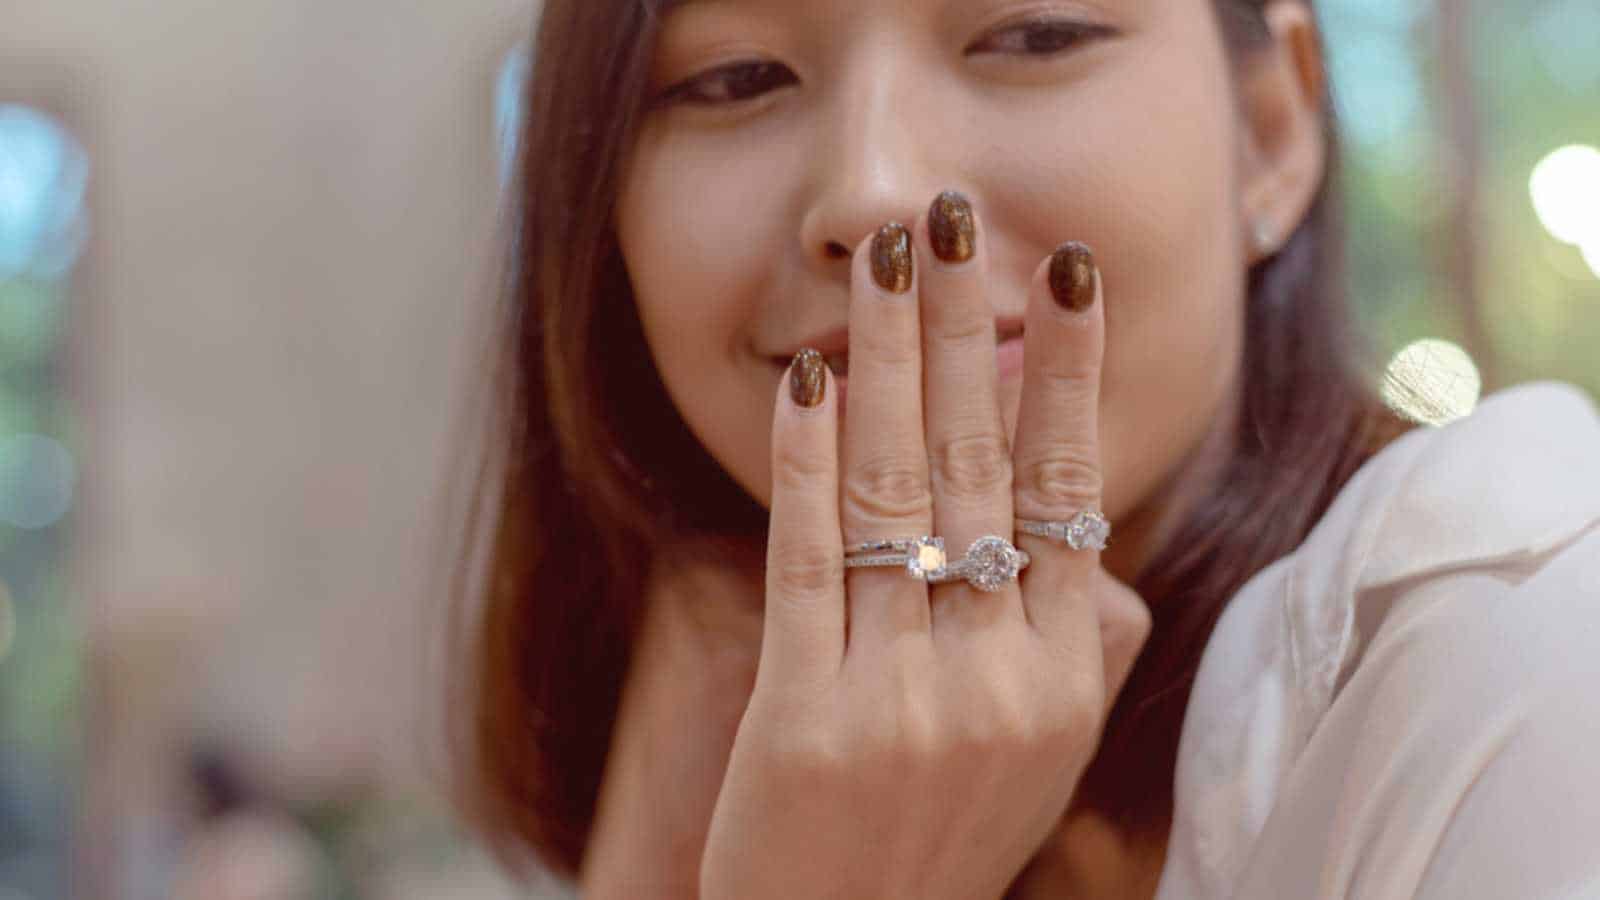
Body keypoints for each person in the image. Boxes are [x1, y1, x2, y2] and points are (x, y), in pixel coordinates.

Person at [442, 0, 1600, 896]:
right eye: (732, 78)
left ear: (1268, 131)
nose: (874, 189)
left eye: (1033, 34)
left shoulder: (1523, 629)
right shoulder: (692, 716)